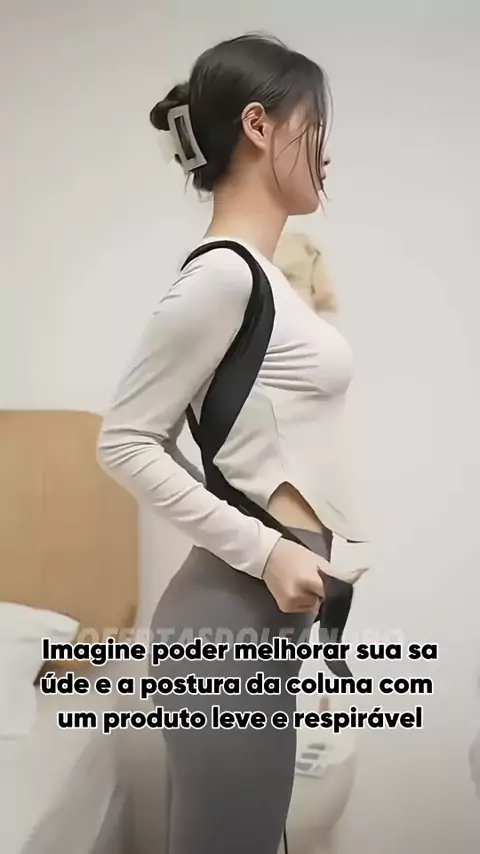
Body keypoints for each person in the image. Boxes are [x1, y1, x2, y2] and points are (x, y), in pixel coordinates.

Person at [97, 33, 368, 854]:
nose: (327, 153)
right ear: (258, 125)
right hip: (225, 632)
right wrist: (266, 550)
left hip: (254, 629)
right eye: (314, 126)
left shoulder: (264, 279)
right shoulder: (222, 276)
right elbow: (125, 442)